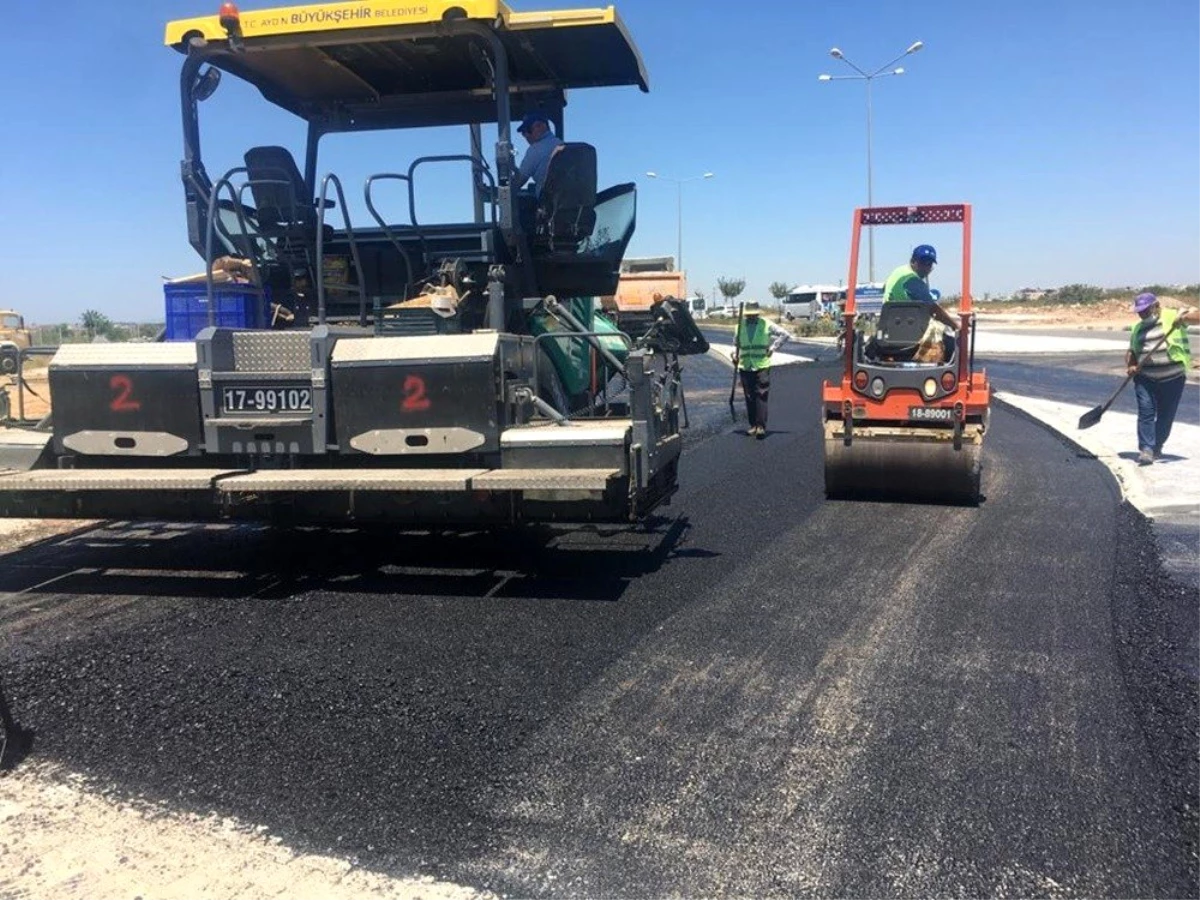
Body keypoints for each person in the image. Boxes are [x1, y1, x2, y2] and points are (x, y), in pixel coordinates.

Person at [1125, 292, 1198, 465]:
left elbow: (1198, 317)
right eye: (1139, 311)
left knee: (1166, 415)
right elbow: (1132, 351)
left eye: (1145, 310)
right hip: (1145, 379)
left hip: (1173, 378)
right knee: (1146, 413)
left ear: (1155, 306)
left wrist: (1184, 318)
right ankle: (1146, 449)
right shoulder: (1137, 328)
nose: (1141, 314)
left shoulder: (1172, 316)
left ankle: (1157, 446)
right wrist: (1131, 365)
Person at [883, 244, 961, 359]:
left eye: (929, 264)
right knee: (951, 345)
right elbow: (934, 310)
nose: (926, 268)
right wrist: (955, 325)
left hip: (888, 329)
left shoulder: (898, 272)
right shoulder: (913, 280)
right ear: (913, 261)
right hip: (909, 333)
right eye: (923, 263)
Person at [734, 301, 790, 438]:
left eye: (754, 315)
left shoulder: (766, 324)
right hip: (745, 365)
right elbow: (736, 344)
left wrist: (772, 348)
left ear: (758, 314)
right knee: (749, 396)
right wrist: (734, 356)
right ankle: (752, 425)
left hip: (762, 365)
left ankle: (761, 426)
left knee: (761, 394)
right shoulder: (739, 327)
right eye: (749, 315)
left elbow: (785, 334)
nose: (752, 317)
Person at [513, 111, 563, 199]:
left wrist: (502, 194)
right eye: (523, 134)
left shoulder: (535, 150)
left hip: (550, 207)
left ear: (540, 126)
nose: (526, 136)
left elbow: (519, 181)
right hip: (578, 206)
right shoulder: (561, 145)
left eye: (527, 130)